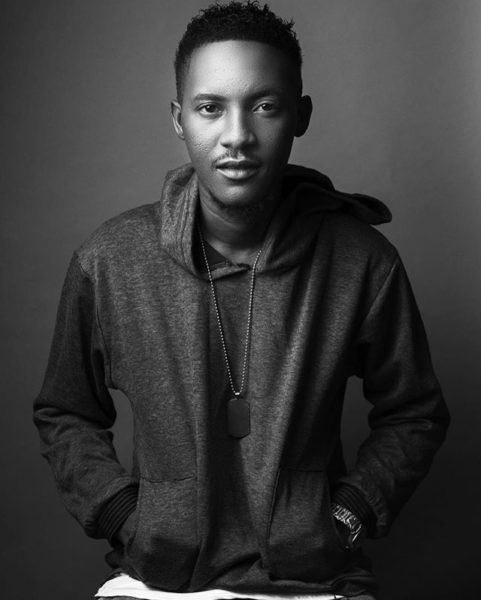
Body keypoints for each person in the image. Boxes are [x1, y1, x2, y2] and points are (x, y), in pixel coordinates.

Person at [33, 2, 450, 599]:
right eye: (210, 107)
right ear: (179, 119)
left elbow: (415, 413)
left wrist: (348, 515)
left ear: (300, 115)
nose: (237, 136)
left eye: (264, 106)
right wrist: (122, 513)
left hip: (314, 580)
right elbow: (66, 411)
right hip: (158, 581)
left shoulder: (361, 261)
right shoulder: (111, 259)